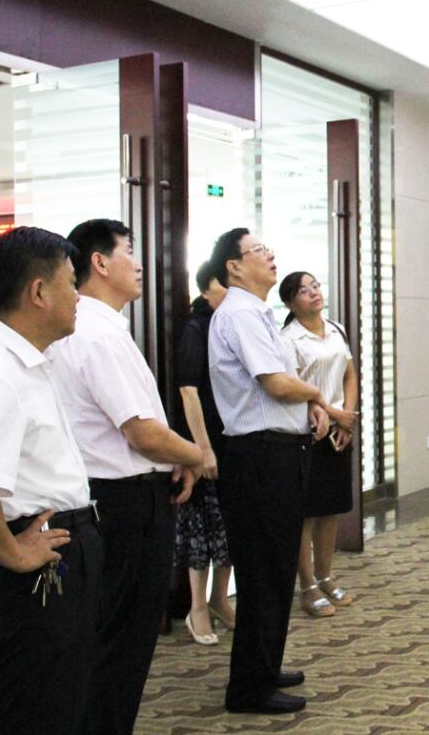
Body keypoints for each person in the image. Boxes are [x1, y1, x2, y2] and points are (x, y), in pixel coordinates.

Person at [0, 226, 100, 735]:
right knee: (36, 713)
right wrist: (13, 553)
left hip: (61, 547)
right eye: (71, 283)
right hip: (28, 570)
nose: (78, 296)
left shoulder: (29, 361)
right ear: (39, 292)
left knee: (63, 705)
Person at [50, 218, 202, 734]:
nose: (139, 265)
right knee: (122, 640)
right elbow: (142, 433)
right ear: (99, 262)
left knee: (109, 635)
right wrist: (197, 455)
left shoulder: (91, 328)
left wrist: (175, 455)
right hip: (124, 503)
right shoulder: (97, 334)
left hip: (107, 497)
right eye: (129, 251)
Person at [207, 228, 330, 715]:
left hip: (277, 452)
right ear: (234, 266)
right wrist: (317, 396)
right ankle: (250, 688)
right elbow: (277, 384)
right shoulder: (239, 314)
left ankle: (263, 666)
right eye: (259, 250)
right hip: (260, 457)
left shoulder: (257, 313)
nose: (270, 255)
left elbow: (284, 385)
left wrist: (309, 405)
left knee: (275, 569)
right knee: (263, 572)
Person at [279, 271, 359, 618]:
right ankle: (307, 585)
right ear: (290, 302)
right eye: (303, 290)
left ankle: (326, 576)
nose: (313, 293)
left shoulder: (336, 329)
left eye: (315, 286)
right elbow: (294, 388)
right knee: (307, 513)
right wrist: (335, 414)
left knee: (330, 509)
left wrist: (347, 418)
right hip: (307, 432)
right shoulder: (288, 339)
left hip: (339, 429)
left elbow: (349, 375)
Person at [174, 261, 234, 645]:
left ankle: (219, 599)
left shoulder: (228, 325)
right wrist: (203, 450)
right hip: (203, 442)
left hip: (233, 441)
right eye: (223, 286)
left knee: (229, 528)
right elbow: (188, 391)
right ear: (205, 289)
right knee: (201, 528)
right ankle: (196, 607)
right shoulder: (195, 327)